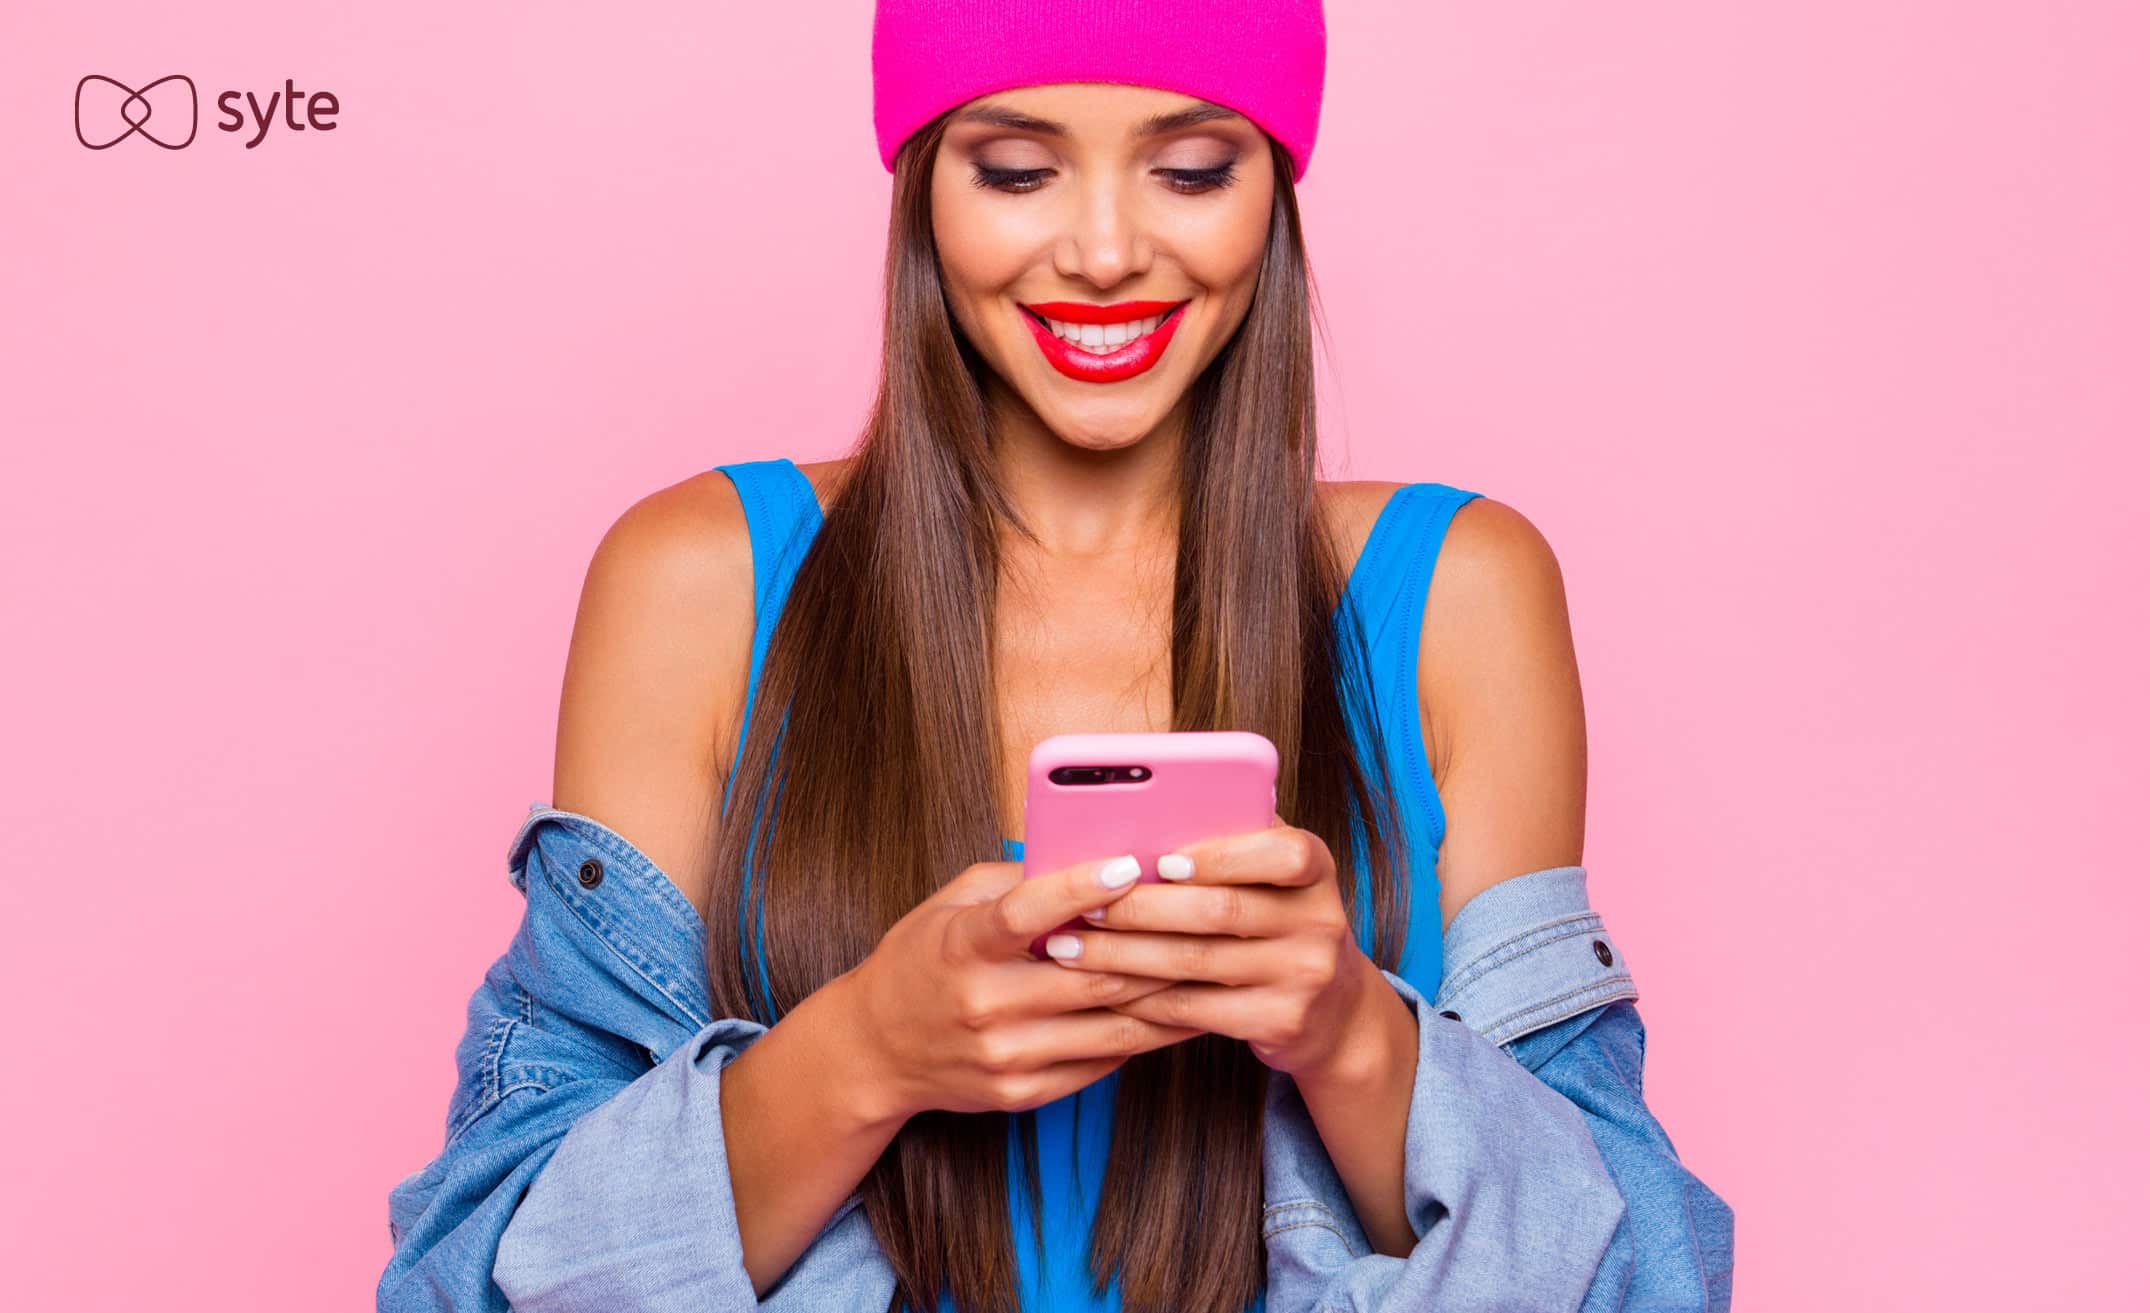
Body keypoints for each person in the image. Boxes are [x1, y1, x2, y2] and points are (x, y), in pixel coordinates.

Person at [378, 3, 1734, 1310]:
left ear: (1274, 188)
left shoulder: (1453, 592)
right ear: (921, 186)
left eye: (1192, 168)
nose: (1101, 251)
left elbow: (1632, 1273)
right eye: (1017, 170)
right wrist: (867, 1050)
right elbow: (486, 1269)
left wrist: (1346, 1035)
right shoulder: (706, 579)